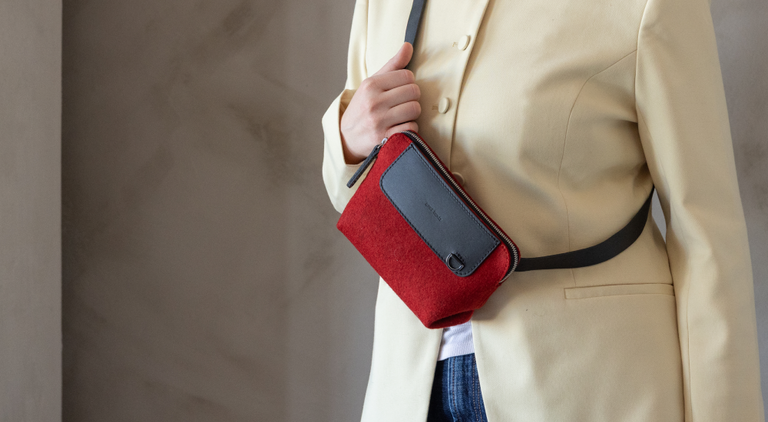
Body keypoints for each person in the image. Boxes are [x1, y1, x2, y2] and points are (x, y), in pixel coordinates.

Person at [321, 0, 764, 421]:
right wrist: (346, 140)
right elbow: (357, 200)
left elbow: (706, 237)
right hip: (408, 388)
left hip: (588, 388)